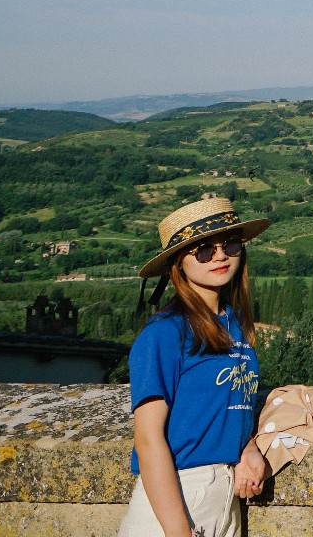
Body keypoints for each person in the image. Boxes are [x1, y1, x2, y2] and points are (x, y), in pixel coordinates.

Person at [118, 196, 272, 537]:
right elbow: (148, 439)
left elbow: (227, 407)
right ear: (178, 263)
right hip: (176, 500)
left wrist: (247, 448)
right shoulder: (163, 334)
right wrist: (178, 531)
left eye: (230, 244)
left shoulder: (236, 326)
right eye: (202, 248)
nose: (219, 255)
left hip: (225, 500)